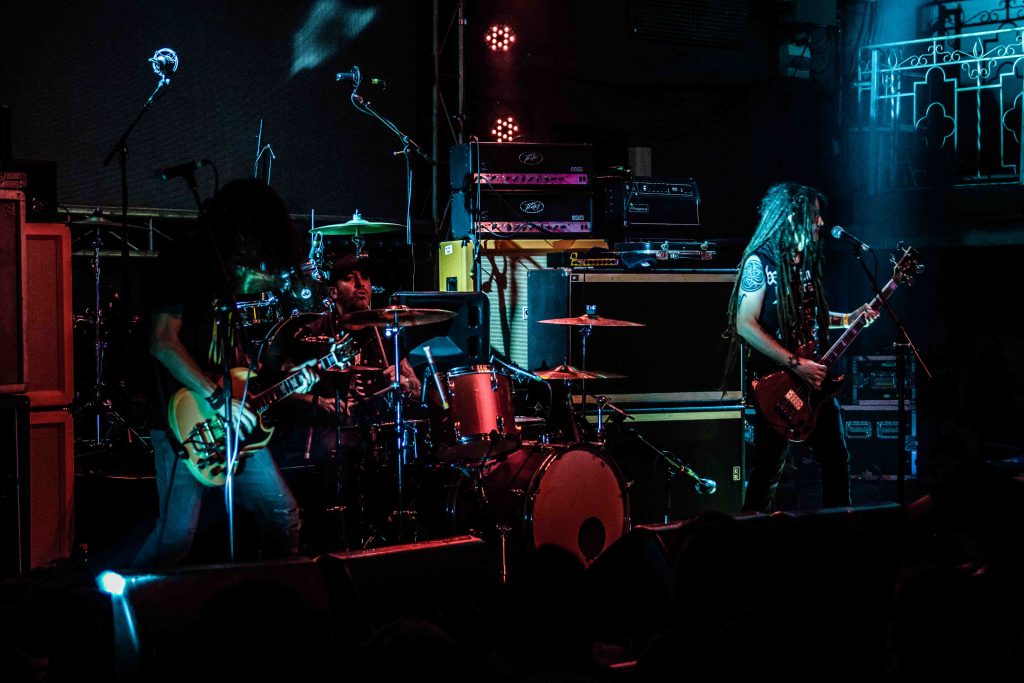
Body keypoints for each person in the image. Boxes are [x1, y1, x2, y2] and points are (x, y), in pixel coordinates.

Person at [133, 178, 316, 568]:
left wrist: (288, 379)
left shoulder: (226, 279)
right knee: (175, 538)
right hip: (184, 420)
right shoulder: (181, 261)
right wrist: (218, 399)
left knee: (282, 515)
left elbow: (237, 366)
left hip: (230, 424)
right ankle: (118, 600)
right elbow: (162, 342)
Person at [723, 182, 879, 513]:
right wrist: (796, 364)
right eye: (814, 215)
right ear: (793, 217)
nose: (821, 223)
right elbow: (744, 323)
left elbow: (809, 317)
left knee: (835, 458)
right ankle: (750, 532)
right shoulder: (760, 262)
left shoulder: (803, 263)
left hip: (812, 382)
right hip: (775, 384)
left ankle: (839, 528)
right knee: (769, 468)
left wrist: (848, 318)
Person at [267, 253, 421, 549]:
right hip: (324, 434)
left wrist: (403, 382)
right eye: (350, 279)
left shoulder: (385, 335)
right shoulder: (312, 335)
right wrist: (318, 401)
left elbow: (415, 388)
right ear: (333, 292)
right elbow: (278, 392)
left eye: (365, 278)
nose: (361, 284)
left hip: (374, 431)